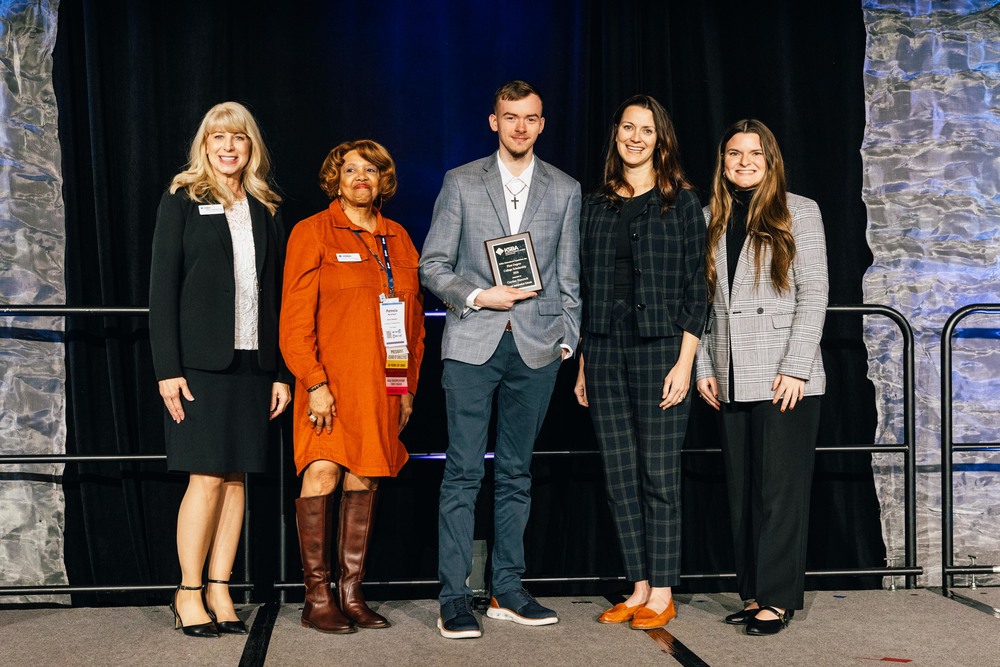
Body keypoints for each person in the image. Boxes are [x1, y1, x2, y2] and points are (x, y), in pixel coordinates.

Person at [420, 80, 582, 639]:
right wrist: (476, 295)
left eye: (530, 118)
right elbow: (432, 266)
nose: (520, 126)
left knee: (516, 473)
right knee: (462, 474)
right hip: (472, 343)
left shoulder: (565, 189)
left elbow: (568, 276)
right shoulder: (462, 182)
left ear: (542, 124)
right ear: (494, 121)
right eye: (510, 116)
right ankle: (453, 597)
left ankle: (507, 590)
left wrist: (567, 340)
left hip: (536, 348)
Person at [149, 101, 292, 638]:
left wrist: (281, 371)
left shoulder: (266, 206)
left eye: (238, 140)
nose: (228, 148)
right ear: (204, 146)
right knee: (205, 477)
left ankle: (220, 586)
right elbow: (161, 289)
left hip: (254, 363)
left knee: (237, 480)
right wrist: (167, 367)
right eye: (218, 139)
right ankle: (187, 591)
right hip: (199, 366)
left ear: (251, 148)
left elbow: (277, 295)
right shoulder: (183, 198)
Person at [280, 139, 425, 634]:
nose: (360, 178)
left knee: (365, 478)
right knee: (321, 474)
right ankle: (316, 596)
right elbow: (294, 322)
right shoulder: (312, 232)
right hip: (329, 385)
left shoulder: (400, 238)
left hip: (382, 386)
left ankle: (351, 593)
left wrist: (404, 387)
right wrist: (314, 382)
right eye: (350, 170)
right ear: (335, 180)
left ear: (384, 180)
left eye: (371, 170)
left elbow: (409, 324)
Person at [574, 95, 707, 630]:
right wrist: (583, 362)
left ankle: (664, 591)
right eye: (627, 127)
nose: (635, 137)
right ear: (616, 134)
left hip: (661, 351)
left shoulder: (683, 202)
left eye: (646, 129)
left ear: (660, 140)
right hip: (604, 348)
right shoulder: (595, 204)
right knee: (618, 473)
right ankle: (638, 586)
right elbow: (584, 286)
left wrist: (685, 362)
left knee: (659, 474)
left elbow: (699, 285)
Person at [694, 119, 828, 636]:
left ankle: (775, 598)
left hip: (783, 373)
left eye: (754, 153)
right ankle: (752, 593)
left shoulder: (801, 211)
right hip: (728, 370)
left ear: (770, 160)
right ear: (723, 162)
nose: (744, 162)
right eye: (734, 153)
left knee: (779, 490)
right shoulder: (710, 215)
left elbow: (814, 293)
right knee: (743, 490)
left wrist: (795, 366)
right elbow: (703, 303)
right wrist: (704, 365)